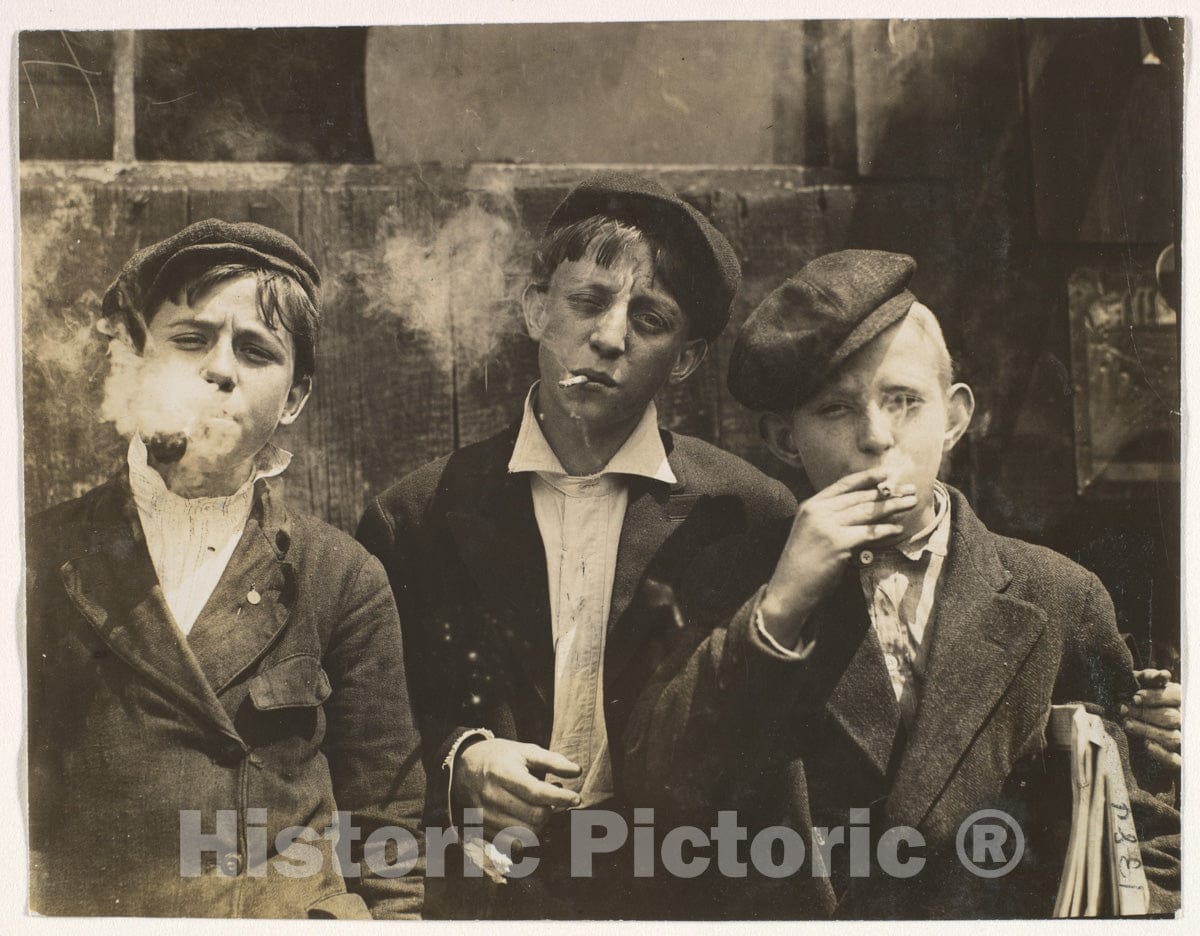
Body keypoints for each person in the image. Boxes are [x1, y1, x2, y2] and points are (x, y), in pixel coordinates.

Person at [623, 249, 1181, 918]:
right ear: (782, 439)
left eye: (904, 402)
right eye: (835, 410)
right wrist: (779, 608)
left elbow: (1143, 835)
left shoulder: (1056, 594)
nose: (876, 438)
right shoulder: (730, 584)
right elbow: (658, 792)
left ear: (954, 417)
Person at [356, 172, 797, 918]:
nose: (610, 335)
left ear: (684, 359)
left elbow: (768, 747)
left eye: (650, 319)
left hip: (680, 896)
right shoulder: (420, 514)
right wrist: (459, 759)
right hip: (485, 897)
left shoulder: (745, 518)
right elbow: (371, 724)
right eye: (587, 302)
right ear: (535, 309)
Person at [26, 220, 426, 918]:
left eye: (255, 350)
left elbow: (388, 831)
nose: (219, 368)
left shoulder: (339, 578)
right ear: (135, 358)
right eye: (190, 339)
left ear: (295, 397)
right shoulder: (39, 558)